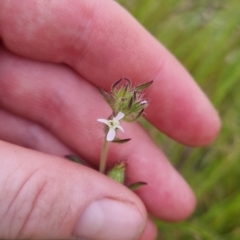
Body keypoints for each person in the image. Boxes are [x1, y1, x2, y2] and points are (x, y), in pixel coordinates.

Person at [0, 1, 220, 240]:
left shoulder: (118, 117)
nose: (114, 123)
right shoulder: (114, 118)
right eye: (113, 123)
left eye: (114, 123)